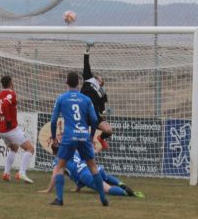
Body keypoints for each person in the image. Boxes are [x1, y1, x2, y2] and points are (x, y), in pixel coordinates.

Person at [49, 71, 108, 206]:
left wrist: (54, 138)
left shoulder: (61, 98)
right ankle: (103, 199)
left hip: (69, 136)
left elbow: (53, 121)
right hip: (83, 136)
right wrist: (91, 136)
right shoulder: (86, 100)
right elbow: (94, 120)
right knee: (92, 167)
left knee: (60, 167)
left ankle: (59, 199)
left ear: (66, 83)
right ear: (78, 83)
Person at [0, 75, 34, 183]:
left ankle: (6, 173)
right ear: (11, 83)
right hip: (11, 129)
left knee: (14, 148)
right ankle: (21, 173)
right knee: (30, 149)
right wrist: (8, 121)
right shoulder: (11, 94)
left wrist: (0, 120)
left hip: (2, 131)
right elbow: (4, 104)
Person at [41, 150, 144, 198]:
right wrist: (78, 188)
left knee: (107, 189)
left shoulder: (58, 161)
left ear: (54, 153)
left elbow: (56, 176)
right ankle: (121, 184)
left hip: (86, 175)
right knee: (106, 177)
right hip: (94, 168)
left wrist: (48, 190)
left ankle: (128, 193)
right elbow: (75, 168)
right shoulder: (74, 152)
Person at [82, 42, 113, 150]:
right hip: (83, 112)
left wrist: (104, 112)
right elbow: (86, 64)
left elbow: (102, 110)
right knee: (82, 139)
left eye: (99, 78)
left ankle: (101, 138)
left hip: (94, 115)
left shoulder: (102, 94)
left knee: (108, 130)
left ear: (101, 82)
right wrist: (87, 50)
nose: (97, 76)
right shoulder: (88, 79)